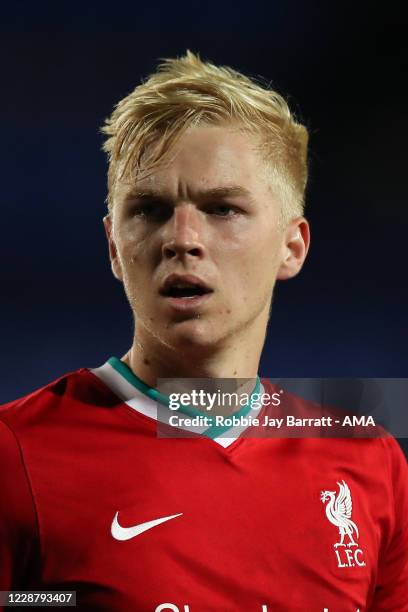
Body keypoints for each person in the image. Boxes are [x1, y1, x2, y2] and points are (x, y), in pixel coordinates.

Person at [0, 51, 407, 612]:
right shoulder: (14, 455)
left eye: (221, 208)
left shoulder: (368, 463)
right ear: (114, 247)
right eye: (149, 209)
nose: (182, 238)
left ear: (293, 246)